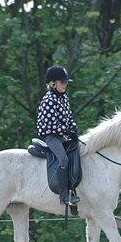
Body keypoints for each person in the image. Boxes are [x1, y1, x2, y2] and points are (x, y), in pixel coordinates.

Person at [37, 65, 80, 205]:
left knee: (76, 154)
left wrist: (73, 128)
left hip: (62, 135)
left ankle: (73, 188)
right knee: (64, 160)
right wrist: (66, 131)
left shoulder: (64, 97)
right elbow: (50, 125)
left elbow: (69, 118)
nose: (65, 85)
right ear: (53, 83)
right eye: (62, 82)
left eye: (66, 82)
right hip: (51, 137)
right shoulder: (49, 100)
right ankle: (63, 196)